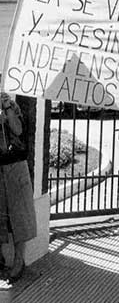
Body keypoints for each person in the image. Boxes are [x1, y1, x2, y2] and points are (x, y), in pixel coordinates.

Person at [0, 92, 36, 282]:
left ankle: (19, 261)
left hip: (14, 167)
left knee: (18, 216)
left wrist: (6, 109)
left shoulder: (11, 105)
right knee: (1, 215)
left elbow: (19, 130)